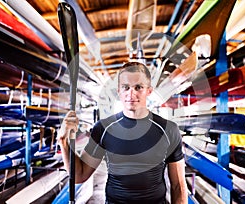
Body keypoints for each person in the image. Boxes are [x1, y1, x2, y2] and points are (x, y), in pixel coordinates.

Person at [57, 62, 188, 203]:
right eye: (126, 87)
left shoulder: (168, 130)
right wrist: (63, 142)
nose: (131, 94)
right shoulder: (103, 129)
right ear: (119, 90)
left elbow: (178, 186)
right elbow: (79, 175)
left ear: (149, 91)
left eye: (138, 87)